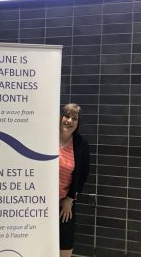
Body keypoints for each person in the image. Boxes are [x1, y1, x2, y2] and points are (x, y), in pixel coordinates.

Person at [59, 103, 90, 257]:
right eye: (66, 116)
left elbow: (84, 174)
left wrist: (70, 199)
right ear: (60, 117)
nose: (69, 121)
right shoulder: (46, 139)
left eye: (74, 118)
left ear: (78, 123)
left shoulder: (81, 144)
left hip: (65, 204)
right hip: (40, 204)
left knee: (65, 249)